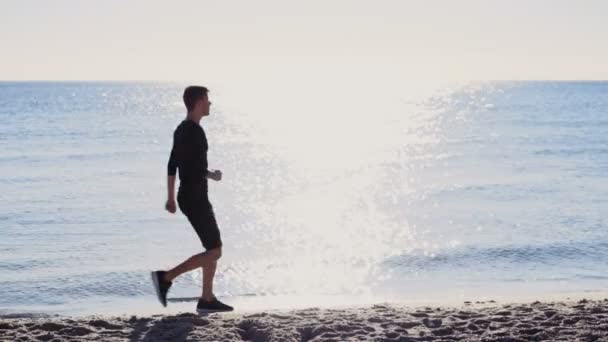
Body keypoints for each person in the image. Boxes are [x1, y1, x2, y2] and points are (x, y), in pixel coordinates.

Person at [151, 86, 233, 313]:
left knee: (212, 247)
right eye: (207, 100)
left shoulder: (182, 130)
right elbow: (193, 168)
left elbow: (173, 164)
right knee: (215, 251)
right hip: (195, 197)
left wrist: (171, 198)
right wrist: (211, 175)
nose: (210, 104)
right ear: (198, 102)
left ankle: (207, 298)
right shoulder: (194, 132)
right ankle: (166, 277)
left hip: (190, 196)